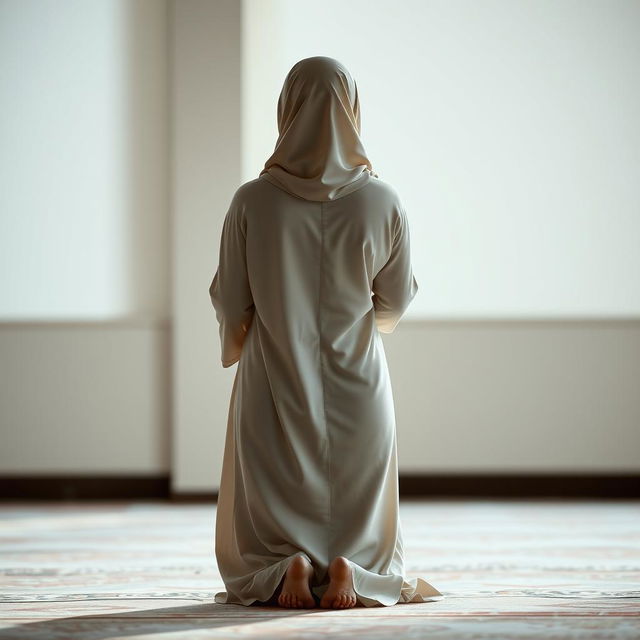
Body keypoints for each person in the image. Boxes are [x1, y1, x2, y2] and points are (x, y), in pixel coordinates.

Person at [209, 56, 444, 609]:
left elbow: (229, 296)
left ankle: (283, 565)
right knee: (359, 492)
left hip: (273, 370)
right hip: (359, 373)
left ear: (287, 110)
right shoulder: (382, 201)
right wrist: (364, 321)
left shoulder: (252, 200)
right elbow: (398, 296)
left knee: (273, 481)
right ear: (352, 111)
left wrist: (243, 331)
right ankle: (353, 569)